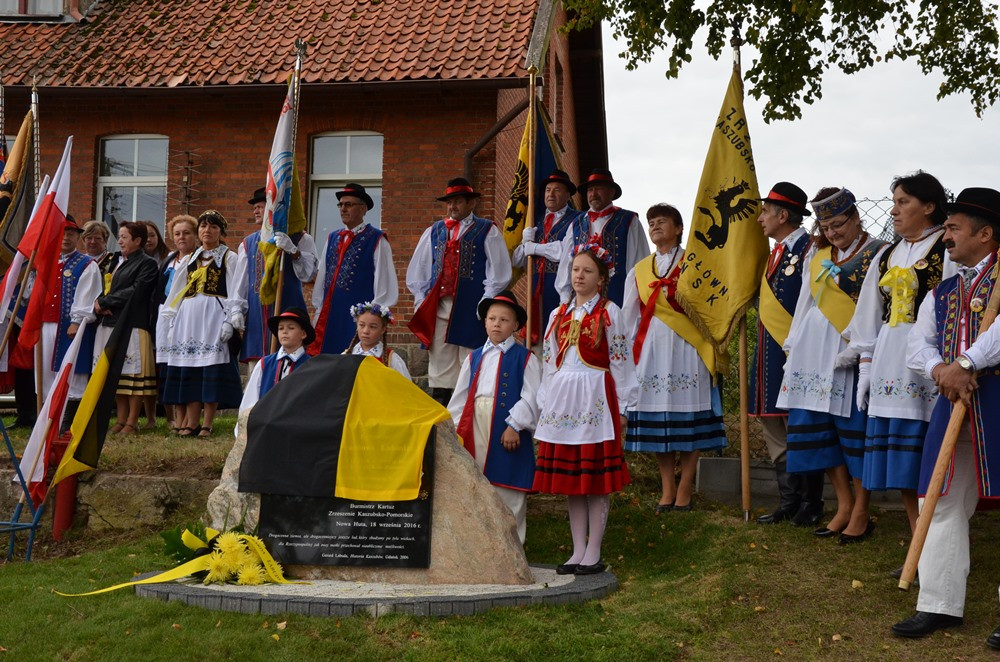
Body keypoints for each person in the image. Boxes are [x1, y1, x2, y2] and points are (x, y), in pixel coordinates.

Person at [893, 187, 1000, 643]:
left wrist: (967, 363)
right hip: (954, 401)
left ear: (987, 233)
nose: (947, 236)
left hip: (995, 399)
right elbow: (919, 344)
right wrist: (942, 369)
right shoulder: (942, 291)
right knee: (938, 498)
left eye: (954, 228)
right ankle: (939, 603)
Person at [846, 171, 953, 560]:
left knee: (929, 458)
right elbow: (869, 316)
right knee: (905, 465)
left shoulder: (947, 247)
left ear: (929, 206)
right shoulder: (887, 255)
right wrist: (867, 368)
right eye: (893, 202)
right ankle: (920, 547)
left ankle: (934, 546)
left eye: (903, 202)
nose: (894, 211)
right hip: (892, 361)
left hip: (930, 363)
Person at [780, 187, 887, 543]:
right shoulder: (818, 254)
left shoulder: (878, 254)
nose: (833, 233)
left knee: (853, 431)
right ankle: (843, 503)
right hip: (814, 351)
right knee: (822, 431)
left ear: (856, 218)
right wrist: (793, 345)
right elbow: (805, 304)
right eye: (826, 227)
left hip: (851, 351)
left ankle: (862, 509)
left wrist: (861, 348)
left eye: (839, 224)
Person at [534, 244, 636, 575]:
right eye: (576, 269)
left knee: (594, 479)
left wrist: (624, 405)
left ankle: (594, 549)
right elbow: (550, 360)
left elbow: (621, 360)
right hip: (564, 401)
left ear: (601, 278)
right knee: (572, 480)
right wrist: (546, 398)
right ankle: (577, 549)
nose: (579, 275)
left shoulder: (610, 311)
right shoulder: (557, 314)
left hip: (596, 396)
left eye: (587, 271)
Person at [622, 204, 725, 512]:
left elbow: (713, 307)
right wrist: (628, 358)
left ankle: (685, 487)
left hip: (688, 350)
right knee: (658, 424)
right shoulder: (639, 270)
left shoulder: (696, 264)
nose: (655, 226)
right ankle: (667, 488)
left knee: (689, 421)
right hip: (652, 353)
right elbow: (629, 317)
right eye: (651, 222)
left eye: (662, 222)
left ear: (679, 228)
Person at [751, 182, 824, 526]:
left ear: (783, 215)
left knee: (800, 424)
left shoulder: (810, 250)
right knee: (774, 425)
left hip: (796, 351)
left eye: (765, 211)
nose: (760, 218)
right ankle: (788, 500)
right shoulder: (773, 253)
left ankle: (811, 502)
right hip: (770, 350)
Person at [406, 177, 512, 405]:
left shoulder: (487, 230)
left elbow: (499, 271)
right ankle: (442, 411)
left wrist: (486, 301)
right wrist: (421, 300)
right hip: (440, 305)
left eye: (458, 202)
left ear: (471, 204)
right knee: (440, 359)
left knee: (469, 357)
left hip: (470, 305)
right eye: (449, 202)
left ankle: (468, 409)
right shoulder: (434, 231)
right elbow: (420, 270)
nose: (452, 207)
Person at [448, 291, 541, 544]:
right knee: (477, 483)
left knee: (507, 488)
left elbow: (532, 397)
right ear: (485, 322)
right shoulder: (473, 357)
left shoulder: (525, 358)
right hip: (475, 425)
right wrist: (453, 429)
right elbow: (460, 397)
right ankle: (481, 549)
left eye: (504, 319)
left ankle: (513, 547)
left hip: (505, 426)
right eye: (492, 318)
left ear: (515, 326)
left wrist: (514, 425)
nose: (497, 324)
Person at [161, 210, 246, 437]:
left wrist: (230, 319)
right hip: (188, 320)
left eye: (213, 227)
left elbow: (236, 289)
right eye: (203, 227)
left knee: (210, 368)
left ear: (221, 231)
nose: (207, 231)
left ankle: (207, 423)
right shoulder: (190, 260)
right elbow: (177, 292)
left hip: (213, 319)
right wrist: (170, 320)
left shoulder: (230, 258)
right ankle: (191, 421)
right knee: (190, 369)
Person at [311, 183, 397, 354]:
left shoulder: (376, 239)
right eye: (341, 205)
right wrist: (319, 309)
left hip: (358, 319)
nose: (343, 209)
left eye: (349, 204)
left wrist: (372, 317)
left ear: (363, 209)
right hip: (331, 314)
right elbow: (323, 275)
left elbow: (384, 282)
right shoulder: (333, 237)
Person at [237, 186, 318, 364]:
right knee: (257, 373)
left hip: (288, 311)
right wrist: (236, 311)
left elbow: (308, 274)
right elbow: (240, 285)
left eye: (260, 206)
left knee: (290, 369)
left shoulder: (301, 239)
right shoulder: (248, 244)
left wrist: (293, 251)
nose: (256, 211)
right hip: (257, 320)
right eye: (254, 207)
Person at [93, 222, 160, 436]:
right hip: (112, 322)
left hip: (133, 323)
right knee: (118, 375)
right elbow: (105, 286)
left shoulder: (147, 263)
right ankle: (121, 419)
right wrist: (100, 302)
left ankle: (132, 420)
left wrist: (106, 303)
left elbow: (136, 290)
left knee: (134, 375)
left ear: (137, 241)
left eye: (124, 237)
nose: (119, 241)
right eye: (119, 237)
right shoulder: (116, 261)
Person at [554, 169, 649, 307]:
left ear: (611, 192)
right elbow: (566, 266)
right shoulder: (576, 224)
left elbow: (639, 264)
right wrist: (565, 301)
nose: (593, 194)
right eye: (590, 190)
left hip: (618, 301)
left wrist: (632, 307)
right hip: (581, 304)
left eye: (598, 189)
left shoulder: (628, 220)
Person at [38, 217, 100, 425]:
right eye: (63, 233)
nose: (66, 238)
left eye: (71, 234)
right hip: (45, 326)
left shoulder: (86, 264)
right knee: (46, 369)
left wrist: (76, 320)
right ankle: (47, 417)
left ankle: (69, 420)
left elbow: (87, 295)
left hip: (71, 327)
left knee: (73, 369)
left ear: (78, 238)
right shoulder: (44, 262)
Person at [513, 169, 577, 344]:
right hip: (534, 292)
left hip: (561, 290)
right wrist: (525, 243)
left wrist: (533, 247)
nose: (551, 194)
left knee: (560, 339)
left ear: (567, 194)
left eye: (557, 190)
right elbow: (517, 260)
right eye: (548, 190)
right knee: (535, 345)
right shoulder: (535, 221)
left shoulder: (578, 219)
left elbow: (564, 250)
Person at [155, 215, 198, 433]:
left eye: (187, 233)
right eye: (177, 233)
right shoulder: (168, 261)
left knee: (186, 365)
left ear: (196, 235)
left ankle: (190, 419)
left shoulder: (199, 260)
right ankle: (172, 418)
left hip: (188, 316)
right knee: (168, 368)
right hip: (166, 317)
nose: (182, 237)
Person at [238, 306, 314, 423]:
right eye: (280, 328)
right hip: (265, 426)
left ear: (303, 334)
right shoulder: (264, 364)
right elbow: (250, 400)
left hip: (297, 427)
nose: (284, 331)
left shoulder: (311, 366)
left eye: (291, 328)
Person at [345, 301, 411, 379]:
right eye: (362, 325)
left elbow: (405, 387)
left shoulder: (392, 360)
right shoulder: (346, 356)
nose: (366, 331)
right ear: (357, 326)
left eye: (373, 327)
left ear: (383, 329)